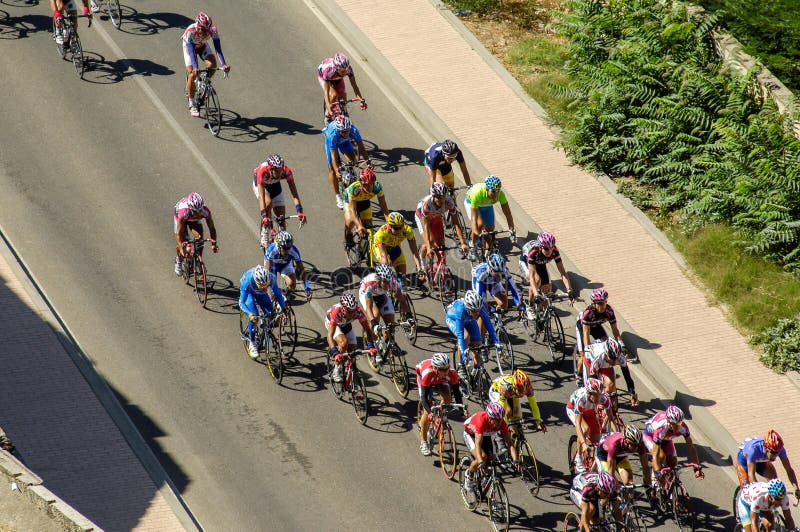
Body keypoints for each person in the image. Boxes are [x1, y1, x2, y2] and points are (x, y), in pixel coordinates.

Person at [416, 352, 466, 456]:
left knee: (448, 398)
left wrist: (461, 410)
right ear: (435, 368)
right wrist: (429, 412)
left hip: (439, 380)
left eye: (447, 368)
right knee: (427, 411)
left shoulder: (451, 373)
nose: (446, 371)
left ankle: (438, 415)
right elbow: (423, 398)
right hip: (426, 379)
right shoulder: (428, 372)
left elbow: (457, 393)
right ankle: (423, 442)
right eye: (443, 370)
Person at [445, 290, 501, 382]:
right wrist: (464, 354)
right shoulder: (461, 310)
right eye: (474, 311)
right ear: (467, 308)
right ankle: (461, 365)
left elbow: (489, 326)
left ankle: (475, 370)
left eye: (478, 311)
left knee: (478, 344)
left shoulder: (481, 308)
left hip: (469, 321)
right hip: (453, 320)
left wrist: (497, 344)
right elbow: (460, 334)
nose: (477, 313)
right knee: (465, 337)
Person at [182, 12, 231, 118]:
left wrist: (224, 64)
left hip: (202, 45)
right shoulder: (191, 32)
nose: (206, 32)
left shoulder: (213, 30)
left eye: (207, 30)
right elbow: (191, 52)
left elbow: (218, 49)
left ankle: (204, 84)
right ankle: (192, 103)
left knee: (213, 65)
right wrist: (195, 68)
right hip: (189, 48)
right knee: (192, 74)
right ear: (198, 27)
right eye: (203, 30)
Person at [358, 264, 411, 362]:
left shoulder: (392, 283)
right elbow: (369, 308)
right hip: (367, 296)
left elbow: (402, 301)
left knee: (391, 325)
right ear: (378, 279)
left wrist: (409, 316)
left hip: (382, 296)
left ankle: (388, 343)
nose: (388, 285)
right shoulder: (369, 284)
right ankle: (374, 344)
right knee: (376, 314)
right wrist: (374, 323)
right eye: (385, 282)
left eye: (389, 282)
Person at [251, 154, 307, 247]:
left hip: (275, 186)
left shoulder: (286, 171)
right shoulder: (263, 171)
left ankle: (281, 243)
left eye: (281, 170)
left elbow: (294, 193)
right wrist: (264, 215)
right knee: (268, 202)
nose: (280, 173)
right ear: (270, 168)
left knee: (281, 218)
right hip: (261, 185)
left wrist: (300, 211)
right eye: (277, 170)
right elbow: (262, 197)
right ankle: (265, 232)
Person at [461, 402, 519, 492]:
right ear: (489, 418)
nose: (499, 422)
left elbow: (510, 444)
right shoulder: (481, 421)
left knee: (492, 458)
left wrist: (516, 460)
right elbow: (478, 444)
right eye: (496, 420)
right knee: (483, 457)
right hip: (471, 434)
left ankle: (485, 476)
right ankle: (469, 474)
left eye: (500, 419)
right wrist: (480, 462)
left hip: (486, 434)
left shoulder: (502, 423)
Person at [643, 405, 704, 487]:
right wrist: (657, 473)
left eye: (680, 423)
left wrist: (696, 467)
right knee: (661, 456)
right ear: (669, 422)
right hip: (650, 436)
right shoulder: (661, 427)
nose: (678, 426)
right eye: (675, 424)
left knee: (673, 462)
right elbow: (655, 454)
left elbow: (691, 447)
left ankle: (669, 489)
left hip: (666, 439)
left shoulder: (683, 427)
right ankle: (654, 481)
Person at [415, 182, 469, 268]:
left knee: (441, 246)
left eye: (443, 197)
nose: (442, 200)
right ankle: (422, 256)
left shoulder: (449, 202)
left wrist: (463, 242)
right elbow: (426, 226)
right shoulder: (427, 204)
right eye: (439, 198)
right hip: (422, 218)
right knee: (432, 243)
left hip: (436, 217)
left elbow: (456, 223)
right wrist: (429, 248)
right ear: (433, 196)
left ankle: (438, 268)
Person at [566, 378, 614, 473]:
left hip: (588, 410)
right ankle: (579, 458)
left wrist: (617, 435)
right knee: (585, 429)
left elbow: (611, 419)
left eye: (599, 395)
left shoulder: (604, 398)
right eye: (595, 395)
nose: (598, 398)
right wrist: (584, 444)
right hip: (573, 410)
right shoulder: (581, 399)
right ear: (589, 393)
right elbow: (578, 425)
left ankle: (593, 466)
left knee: (597, 440)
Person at [325, 293, 377, 382]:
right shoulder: (336, 311)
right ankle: (336, 369)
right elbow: (330, 335)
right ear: (343, 309)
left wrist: (371, 345)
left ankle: (348, 372)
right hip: (333, 324)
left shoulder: (357, 311)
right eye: (349, 311)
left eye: (353, 310)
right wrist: (335, 351)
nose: (352, 313)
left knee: (353, 351)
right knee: (343, 343)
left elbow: (367, 329)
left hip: (346, 324)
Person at [736, 430, 800, 502]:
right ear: (766, 448)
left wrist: (796, 489)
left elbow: (789, 469)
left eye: (778, 452)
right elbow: (751, 475)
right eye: (773, 452)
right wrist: (758, 493)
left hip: (761, 462)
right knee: (748, 489)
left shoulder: (780, 449)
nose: (775, 455)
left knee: (775, 484)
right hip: (745, 462)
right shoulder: (753, 450)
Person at [323, 115, 372, 209]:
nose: (346, 133)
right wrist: (337, 170)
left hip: (345, 142)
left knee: (353, 161)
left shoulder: (353, 130)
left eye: (347, 131)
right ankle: (337, 196)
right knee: (332, 169)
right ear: (338, 130)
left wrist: (368, 161)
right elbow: (333, 155)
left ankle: (349, 176)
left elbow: (361, 147)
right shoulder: (332, 135)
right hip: (332, 143)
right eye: (343, 132)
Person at [239, 265, 286, 360]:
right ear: (256, 282)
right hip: (249, 294)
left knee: (270, 312)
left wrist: (284, 309)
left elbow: (278, 295)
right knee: (254, 315)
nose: (265, 288)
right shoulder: (247, 281)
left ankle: (264, 328)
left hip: (260, 294)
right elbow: (241, 302)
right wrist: (250, 314)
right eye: (262, 286)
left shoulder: (271, 278)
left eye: (266, 285)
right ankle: (252, 344)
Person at [518, 231, 576, 307]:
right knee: (537, 280)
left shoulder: (554, 251)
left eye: (552, 248)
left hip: (540, 263)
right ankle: (530, 306)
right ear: (540, 247)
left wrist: (569, 290)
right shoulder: (534, 253)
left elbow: (563, 273)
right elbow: (532, 277)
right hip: (526, 262)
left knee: (547, 292)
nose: (550, 251)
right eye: (546, 249)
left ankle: (544, 313)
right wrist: (536, 295)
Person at [464, 175, 517, 259]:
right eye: (493, 191)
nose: (496, 194)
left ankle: (488, 252)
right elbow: (474, 219)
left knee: (490, 229)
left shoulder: (500, 195)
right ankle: (472, 245)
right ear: (487, 189)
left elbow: (508, 213)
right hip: (472, 203)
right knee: (480, 224)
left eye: (497, 191)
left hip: (487, 206)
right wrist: (476, 232)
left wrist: (512, 231)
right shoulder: (477, 194)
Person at [580, 337, 639, 406]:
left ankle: (608, 402)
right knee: (593, 391)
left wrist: (632, 393)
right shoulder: (598, 358)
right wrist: (597, 397)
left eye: (616, 359)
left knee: (611, 385)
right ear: (606, 353)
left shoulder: (620, 358)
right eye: (612, 359)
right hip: (590, 360)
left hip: (605, 364)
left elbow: (628, 377)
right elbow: (593, 381)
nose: (614, 362)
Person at [488, 369, 546, 434]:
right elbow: (503, 408)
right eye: (520, 390)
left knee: (517, 418)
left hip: (512, 394)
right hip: (497, 392)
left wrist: (538, 421)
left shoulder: (529, 388)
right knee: (508, 412)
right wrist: (505, 428)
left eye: (524, 391)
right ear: (514, 386)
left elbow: (534, 405)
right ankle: (499, 436)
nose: (522, 394)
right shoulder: (506, 388)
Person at [173, 192, 218, 276]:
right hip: (182, 218)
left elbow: (212, 228)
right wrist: (182, 248)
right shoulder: (183, 213)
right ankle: (178, 261)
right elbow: (179, 234)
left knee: (200, 238)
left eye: (200, 210)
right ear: (190, 209)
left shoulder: (205, 211)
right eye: (195, 211)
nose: (198, 213)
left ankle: (198, 261)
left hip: (192, 219)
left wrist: (213, 243)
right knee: (183, 243)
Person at [343, 167, 389, 246]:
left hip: (364, 200)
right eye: (366, 185)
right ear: (361, 183)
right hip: (351, 200)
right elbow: (353, 210)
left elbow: (383, 206)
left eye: (371, 184)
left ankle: (362, 249)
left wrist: (389, 222)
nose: (369, 187)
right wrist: (359, 226)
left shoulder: (377, 187)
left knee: (368, 226)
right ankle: (348, 234)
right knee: (350, 222)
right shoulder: (354, 189)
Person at [371, 212, 423, 279]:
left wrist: (420, 269)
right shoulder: (382, 233)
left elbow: (415, 252)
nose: (399, 231)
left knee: (402, 278)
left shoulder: (408, 230)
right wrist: (387, 260)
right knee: (386, 269)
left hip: (395, 246)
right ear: (389, 226)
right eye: (396, 228)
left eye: (401, 227)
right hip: (380, 247)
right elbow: (383, 255)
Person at [263, 231, 312, 302]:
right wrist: (270, 289)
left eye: (289, 247)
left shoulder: (294, 251)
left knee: (292, 284)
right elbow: (267, 274)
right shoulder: (272, 250)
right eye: (285, 248)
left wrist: (307, 287)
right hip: (272, 265)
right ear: (279, 247)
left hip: (285, 265)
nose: (288, 251)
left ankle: (285, 295)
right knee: (272, 291)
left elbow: (302, 270)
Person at [317, 52, 367, 121]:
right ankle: (327, 116)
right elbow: (326, 92)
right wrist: (329, 108)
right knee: (333, 95)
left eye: (346, 69)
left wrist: (361, 100)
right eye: (343, 71)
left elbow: (355, 86)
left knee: (343, 98)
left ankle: (344, 115)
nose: (345, 72)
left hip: (337, 78)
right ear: (336, 68)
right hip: (324, 77)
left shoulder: (348, 69)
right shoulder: (328, 71)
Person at [575, 288, 624, 355]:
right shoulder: (588, 313)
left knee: (608, 348)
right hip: (583, 327)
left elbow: (615, 330)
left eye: (604, 302)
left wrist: (621, 344)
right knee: (584, 355)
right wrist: (588, 350)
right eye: (600, 303)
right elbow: (586, 334)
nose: (603, 306)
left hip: (596, 326)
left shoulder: (609, 311)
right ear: (593, 303)